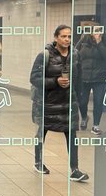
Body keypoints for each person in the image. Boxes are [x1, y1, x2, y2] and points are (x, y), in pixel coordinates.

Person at [30, 25, 88, 182]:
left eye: (69, 36)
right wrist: (55, 81)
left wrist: (79, 97)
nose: (67, 39)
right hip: (48, 102)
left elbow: (79, 77)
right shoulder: (44, 55)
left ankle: (75, 169)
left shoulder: (75, 54)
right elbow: (34, 78)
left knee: (72, 135)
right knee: (42, 132)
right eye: (63, 36)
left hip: (68, 102)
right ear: (56, 37)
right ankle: (38, 161)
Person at [75, 22, 106, 134]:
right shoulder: (83, 40)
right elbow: (75, 53)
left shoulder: (105, 41)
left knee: (98, 101)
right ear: (91, 32)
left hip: (99, 78)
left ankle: (96, 126)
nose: (97, 32)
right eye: (95, 30)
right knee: (82, 102)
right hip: (84, 77)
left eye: (99, 30)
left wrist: (99, 42)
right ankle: (84, 117)